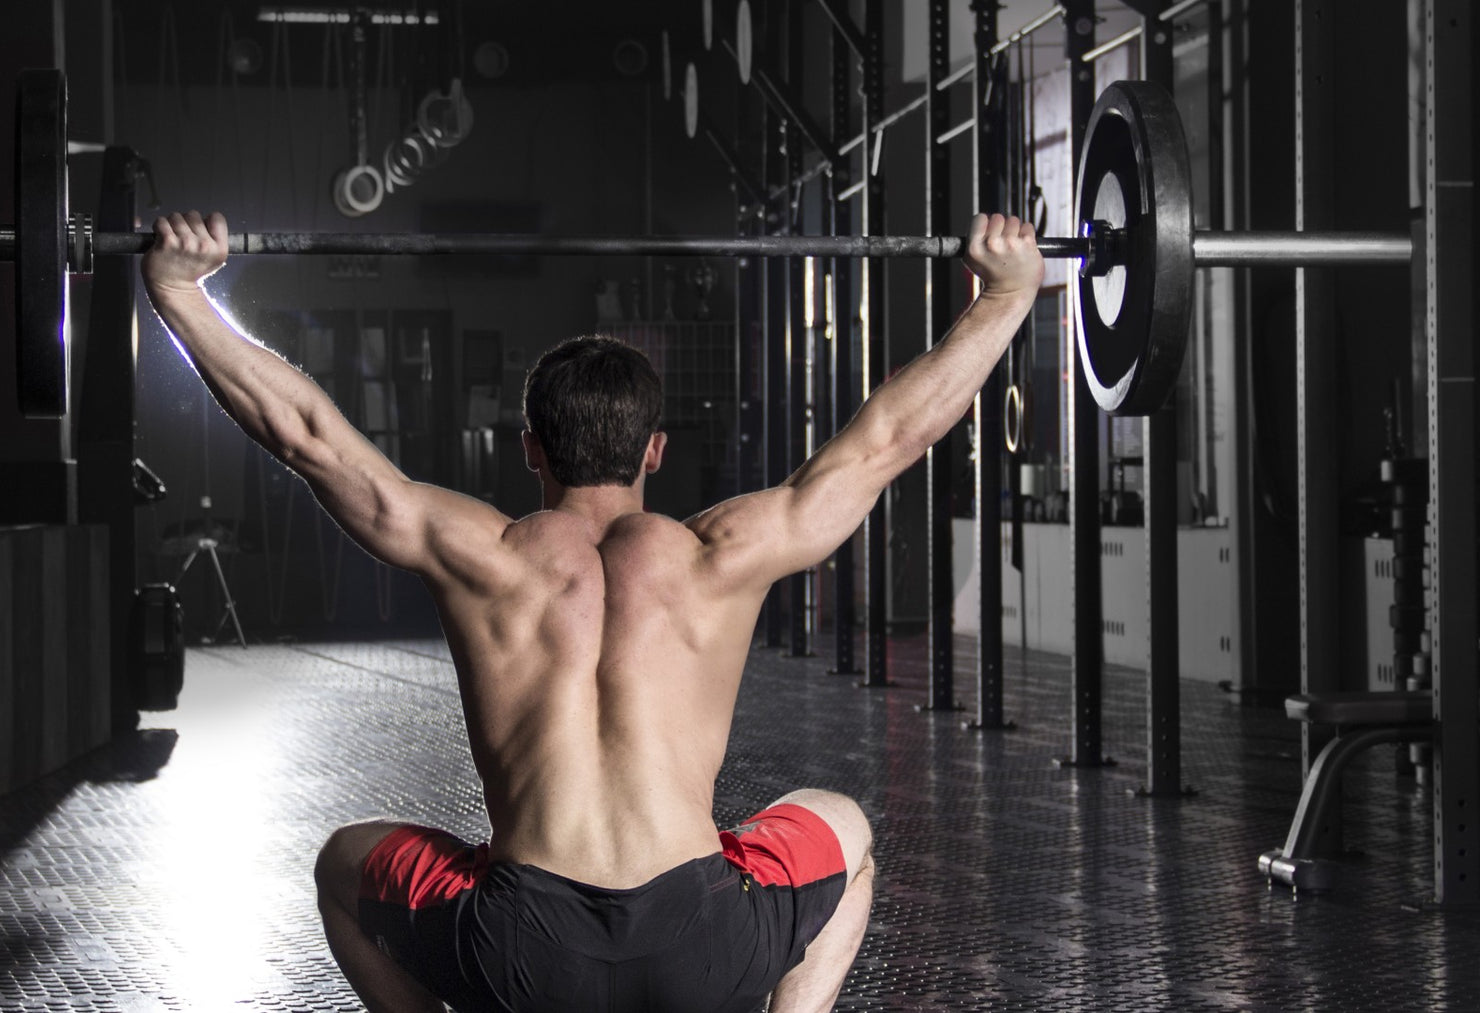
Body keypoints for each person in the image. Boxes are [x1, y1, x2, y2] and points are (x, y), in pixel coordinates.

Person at [142, 211, 1043, 1013]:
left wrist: (181, 294)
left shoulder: (481, 555)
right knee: (844, 827)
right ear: (654, 449)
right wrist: (1004, 297)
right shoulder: (722, 554)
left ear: (531, 447)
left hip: (520, 956)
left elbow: (305, 435)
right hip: (705, 948)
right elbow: (892, 437)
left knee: (344, 864)